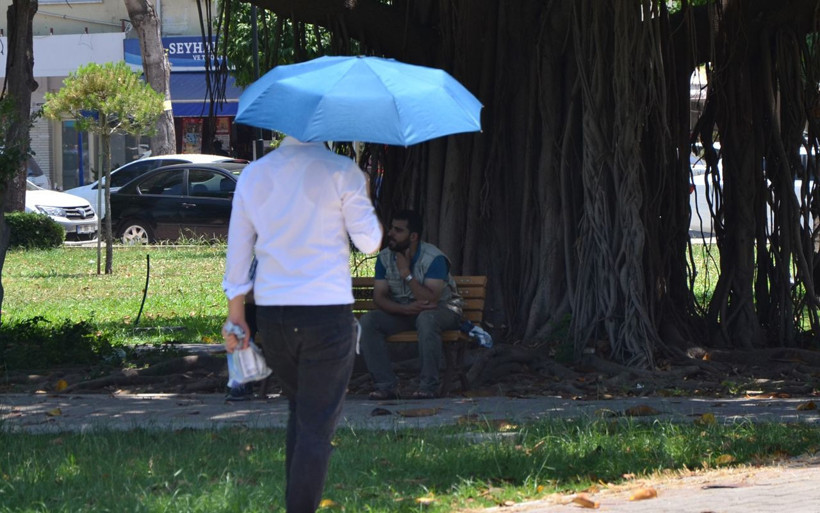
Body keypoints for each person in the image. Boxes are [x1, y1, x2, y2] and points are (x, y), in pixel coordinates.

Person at [221, 135, 382, 513]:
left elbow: (238, 247)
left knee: (302, 409)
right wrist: (364, 194)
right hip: (327, 314)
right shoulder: (344, 171)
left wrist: (236, 313)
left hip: (274, 315)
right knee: (316, 422)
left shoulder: (255, 174)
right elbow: (370, 242)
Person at [359, 210, 463, 400]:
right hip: (405, 312)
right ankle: (386, 386)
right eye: (391, 228)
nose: (390, 233)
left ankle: (428, 386)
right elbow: (379, 298)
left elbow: (430, 300)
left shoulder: (434, 259)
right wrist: (403, 309)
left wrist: (406, 273)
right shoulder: (384, 258)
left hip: (442, 311)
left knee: (426, 319)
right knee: (368, 321)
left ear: (413, 236)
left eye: (398, 230)